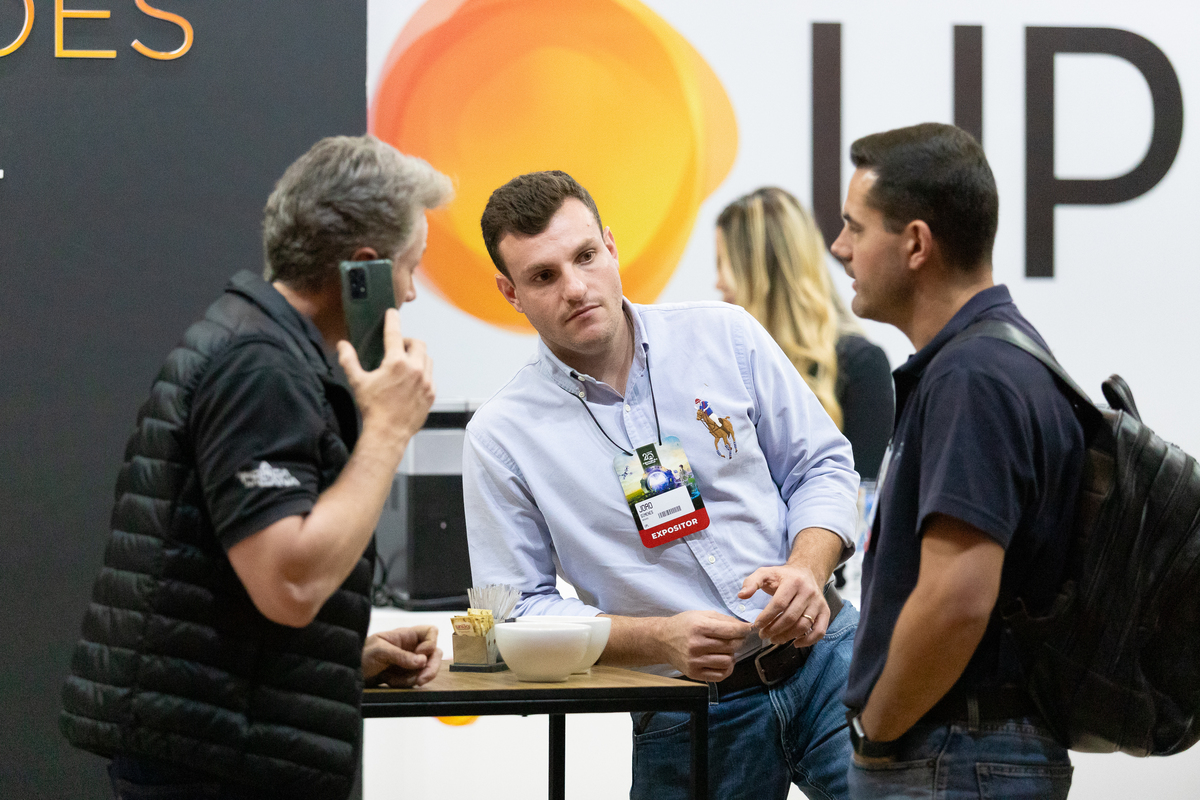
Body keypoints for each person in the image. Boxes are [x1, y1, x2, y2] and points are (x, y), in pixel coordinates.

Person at [61, 135, 454, 800]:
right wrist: (388, 429)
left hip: (213, 744)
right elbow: (289, 585)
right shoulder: (260, 368)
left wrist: (333, 663)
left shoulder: (258, 348)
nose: (413, 293)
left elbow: (234, 591)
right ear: (365, 269)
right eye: (411, 268)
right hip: (214, 769)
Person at [464, 170, 861, 800]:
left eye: (586, 256)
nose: (576, 287)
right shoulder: (502, 435)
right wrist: (655, 639)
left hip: (827, 662)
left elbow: (823, 466)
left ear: (612, 247)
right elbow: (517, 613)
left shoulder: (723, 335)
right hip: (685, 707)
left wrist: (807, 568)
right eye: (544, 276)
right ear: (510, 293)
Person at [831, 123, 1084, 799]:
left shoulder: (972, 376)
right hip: (968, 752)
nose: (840, 247)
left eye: (855, 227)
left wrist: (877, 732)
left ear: (915, 243)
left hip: (951, 756)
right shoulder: (994, 359)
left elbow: (958, 596)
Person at [715, 187, 893, 483]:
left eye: (724, 262)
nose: (718, 281)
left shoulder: (861, 366)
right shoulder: (724, 366)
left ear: (763, 272)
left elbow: (859, 504)